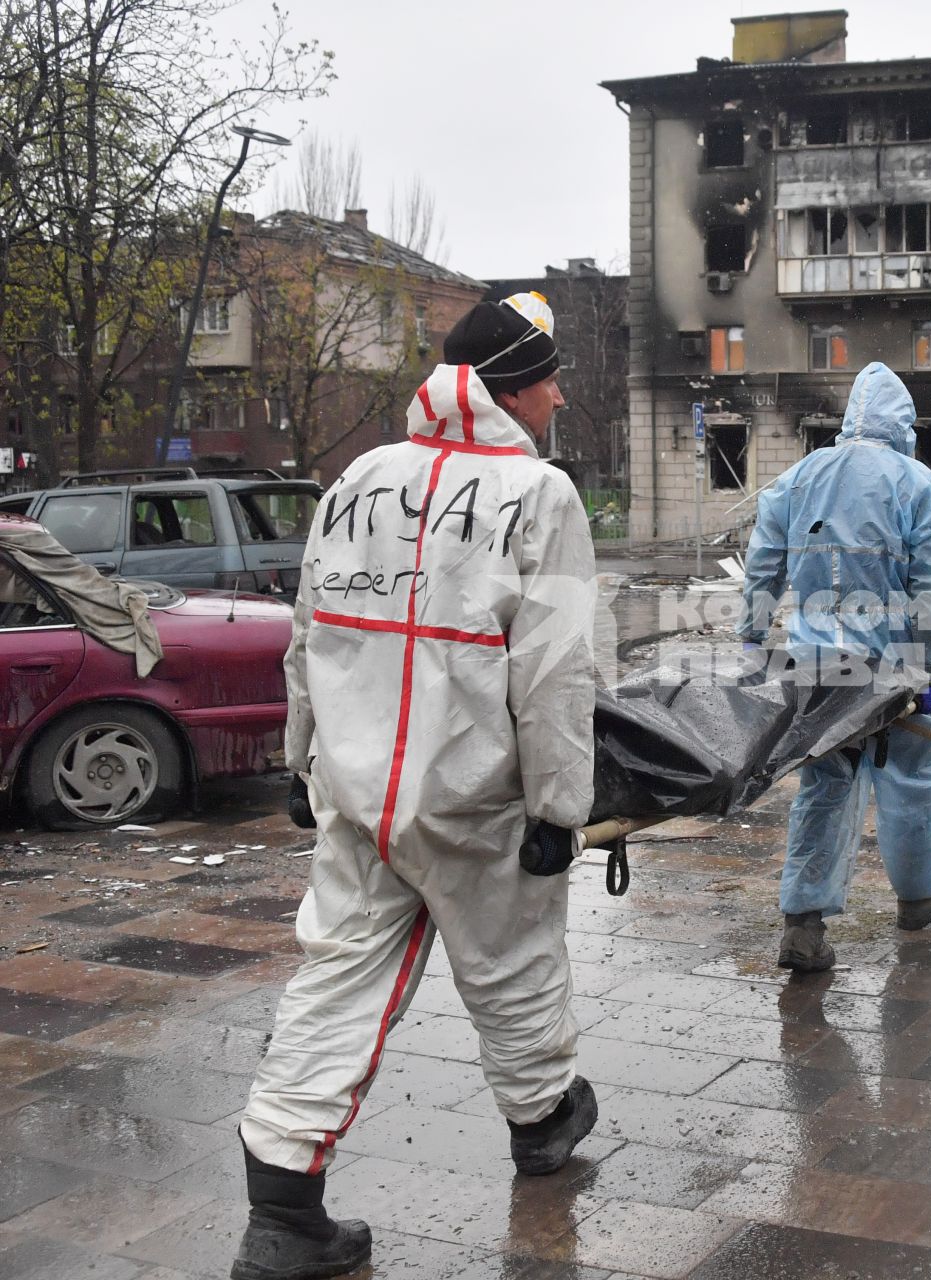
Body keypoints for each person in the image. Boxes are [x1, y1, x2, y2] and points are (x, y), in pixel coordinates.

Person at [231, 294, 599, 1280]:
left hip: (356, 791)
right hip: (475, 794)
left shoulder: (357, 476)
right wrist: (561, 806)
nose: (560, 395)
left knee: (335, 979)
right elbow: (556, 668)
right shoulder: (540, 494)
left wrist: (298, 759)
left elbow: (309, 633)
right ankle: (542, 1120)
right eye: (550, 378)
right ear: (512, 389)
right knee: (513, 960)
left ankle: (279, 1211)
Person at [739, 362, 931, 974]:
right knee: (914, 783)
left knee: (825, 787)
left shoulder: (799, 477)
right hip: (891, 670)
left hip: (818, 671)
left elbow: (763, 562)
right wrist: (927, 669)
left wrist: (753, 637)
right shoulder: (914, 482)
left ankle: (803, 927)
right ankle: (919, 898)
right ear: (904, 424)